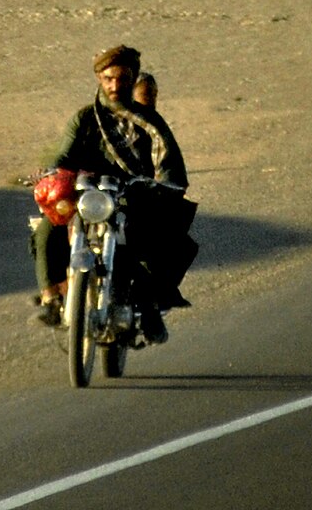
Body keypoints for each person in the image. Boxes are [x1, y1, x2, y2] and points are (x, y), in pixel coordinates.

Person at [31, 44, 196, 343]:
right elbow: (64, 153)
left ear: (132, 78)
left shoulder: (150, 123)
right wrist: (52, 171)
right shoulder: (84, 118)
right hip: (88, 195)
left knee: (149, 242)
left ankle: (148, 308)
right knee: (46, 230)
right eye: (108, 78)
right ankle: (50, 297)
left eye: (121, 78)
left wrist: (163, 183)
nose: (114, 85)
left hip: (131, 197)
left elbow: (167, 161)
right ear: (99, 79)